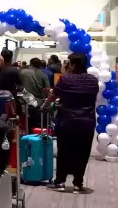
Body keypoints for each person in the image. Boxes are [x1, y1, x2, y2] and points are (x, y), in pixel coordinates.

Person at [43, 53, 99, 194]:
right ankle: (78, 184)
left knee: (64, 151)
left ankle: (60, 181)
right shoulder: (93, 80)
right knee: (83, 152)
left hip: (67, 121)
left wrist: (45, 105)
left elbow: (54, 95)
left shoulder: (66, 79)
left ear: (73, 64)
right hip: (87, 122)